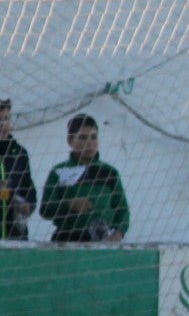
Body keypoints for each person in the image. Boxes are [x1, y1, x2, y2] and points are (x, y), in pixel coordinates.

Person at [40, 114, 129, 243]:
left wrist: (119, 233)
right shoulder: (59, 171)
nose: (89, 143)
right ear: (70, 140)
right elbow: (45, 209)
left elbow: (122, 209)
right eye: (82, 137)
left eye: (94, 137)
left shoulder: (110, 172)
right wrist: (69, 205)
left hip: (102, 242)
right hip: (66, 241)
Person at [0, 99, 37, 240]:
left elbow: (29, 188)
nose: (3, 125)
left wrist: (28, 205)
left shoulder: (20, 153)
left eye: (6, 119)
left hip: (15, 236)